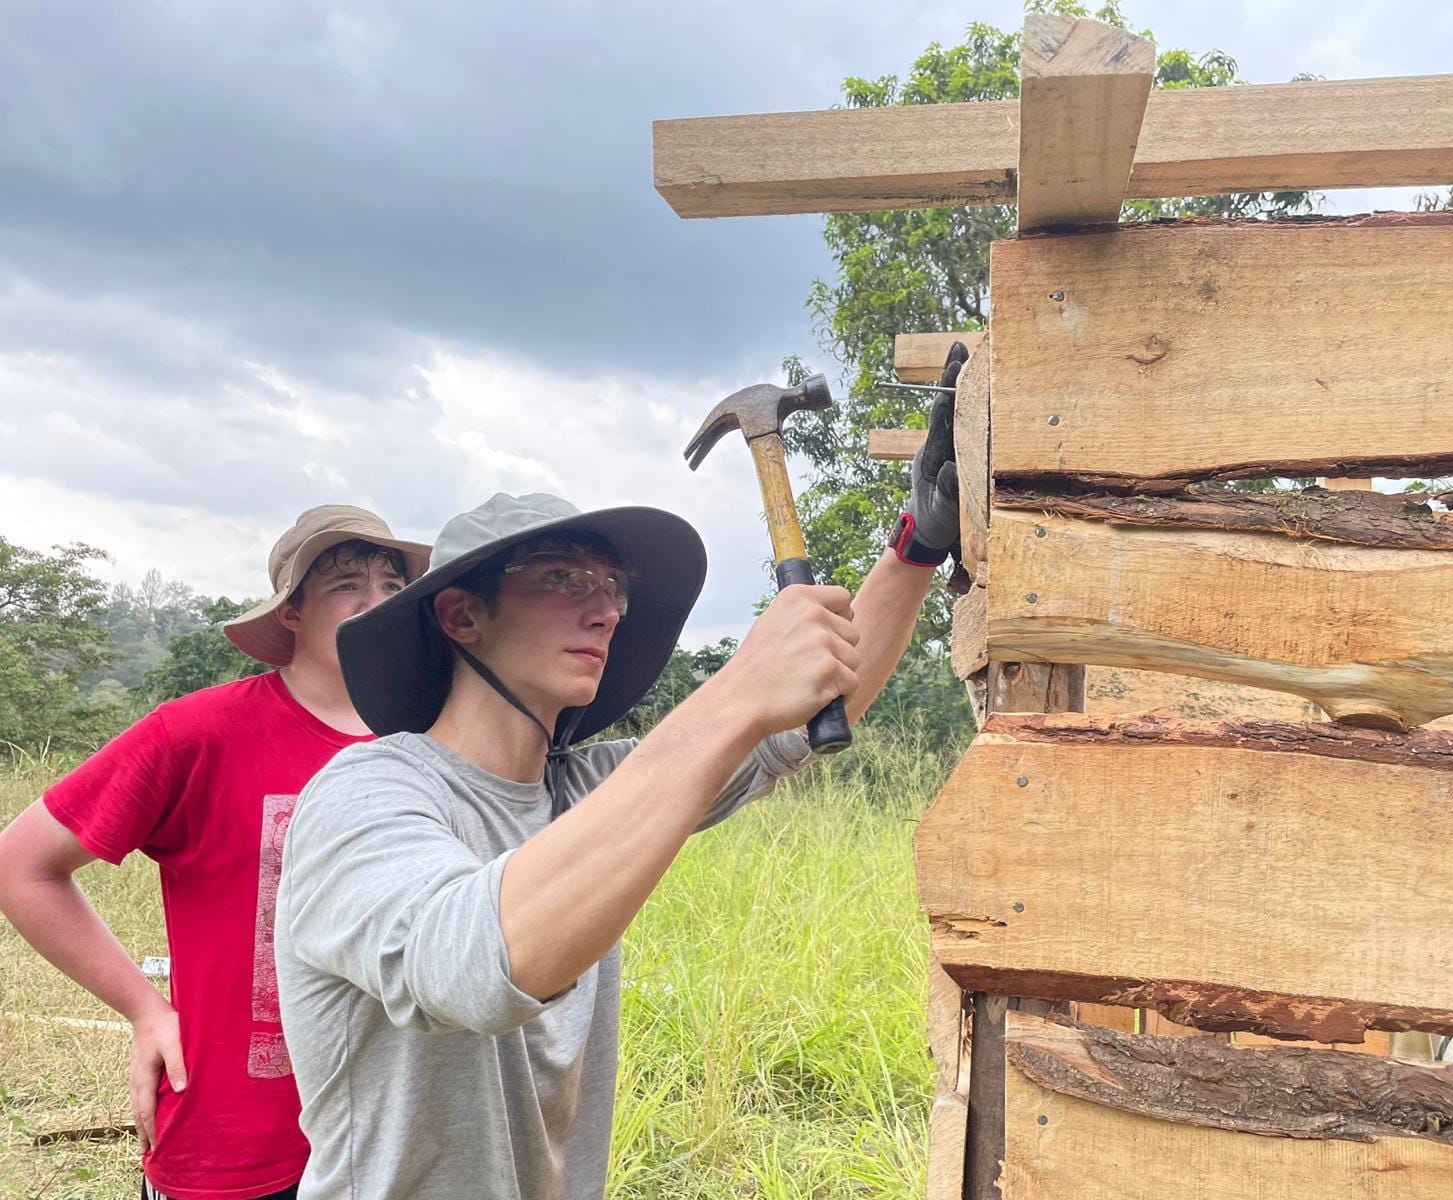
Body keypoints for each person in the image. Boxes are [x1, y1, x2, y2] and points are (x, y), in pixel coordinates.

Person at [273, 392, 964, 1199]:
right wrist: (735, 693)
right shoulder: (364, 795)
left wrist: (918, 546)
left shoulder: (587, 788)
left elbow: (801, 725)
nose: (604, 610)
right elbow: (474, 966)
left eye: (612, 585)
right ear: (461, 614)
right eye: (562, 578)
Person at [0, 506, 429, 1200]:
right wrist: (145, 1009)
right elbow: (21, 864)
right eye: (348, 583)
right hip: (232, 1141)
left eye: (390, 583)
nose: (375, 601)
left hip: (393, 1136)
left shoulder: (431, 744)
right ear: (292, 613)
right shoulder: (199, 734)